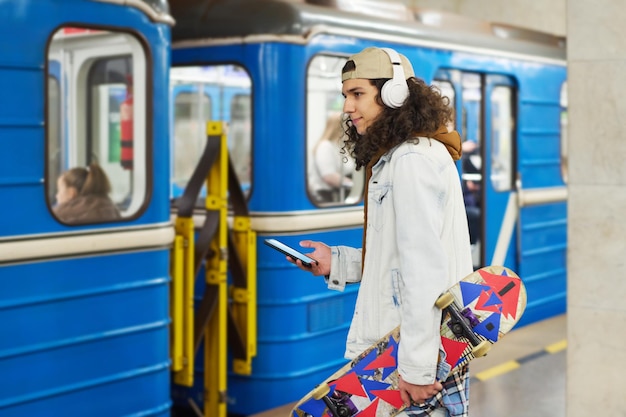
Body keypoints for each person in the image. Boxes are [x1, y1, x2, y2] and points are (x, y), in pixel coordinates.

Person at [289, 47, 473, 417]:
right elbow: (399, 256)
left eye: (357, 94)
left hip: (411, 356)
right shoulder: (403, 156)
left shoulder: (411, 161)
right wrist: (337, 262)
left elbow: (424, 270)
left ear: (393, 94)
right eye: (345, 96)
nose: (347, 107)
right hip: (408, 350)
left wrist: (417, 369)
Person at [309, 112, 355, 203]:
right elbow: (329, 176)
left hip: (338, 195)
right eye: (348, 126)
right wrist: (351, 184)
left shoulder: (339, 146)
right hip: (324, 197)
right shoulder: (325, 146)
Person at [54, 163, 121, 223]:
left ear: (71, 193)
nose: (57, 196)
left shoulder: (60, 218)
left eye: (59, 191)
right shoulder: (111, 209)